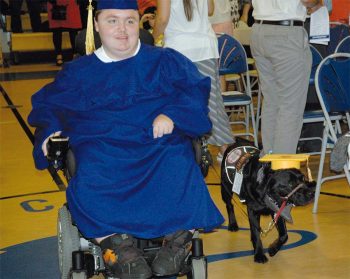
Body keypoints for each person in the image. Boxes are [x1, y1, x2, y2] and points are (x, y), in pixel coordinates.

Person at [28, 0, 224, 278]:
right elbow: (49, 107)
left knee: (178, 160)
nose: (122, 29)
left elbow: (194, 91)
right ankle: (115, 246)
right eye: (112, 20)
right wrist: (50, 134)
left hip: (157, 146)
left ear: (139, 23)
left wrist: (172, 113)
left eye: (130, 21)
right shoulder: (79, 72)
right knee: (92, 169)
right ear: (96, 24)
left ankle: (178, 241)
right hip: (103, 149)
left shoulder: (165, 61)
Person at [153, 0, 235, 162]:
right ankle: (228, 151)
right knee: (213, 101)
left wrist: (154, 36)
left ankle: (183, 149)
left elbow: (162, 19)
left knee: (178, 101)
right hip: (205, 46)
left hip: (179, 48)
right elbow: (210, 10)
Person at [250, 0, 325, 155]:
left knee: (272, 101)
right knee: (290, 107)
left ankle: (269, 164)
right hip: (285, 33)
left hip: (259, 30)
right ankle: (281, 171)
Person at [47, 0, 82, 66]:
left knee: (73, 29)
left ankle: (75, 54)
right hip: (55, 3)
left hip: (71, 3)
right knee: (57, 29)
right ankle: (58, 54)